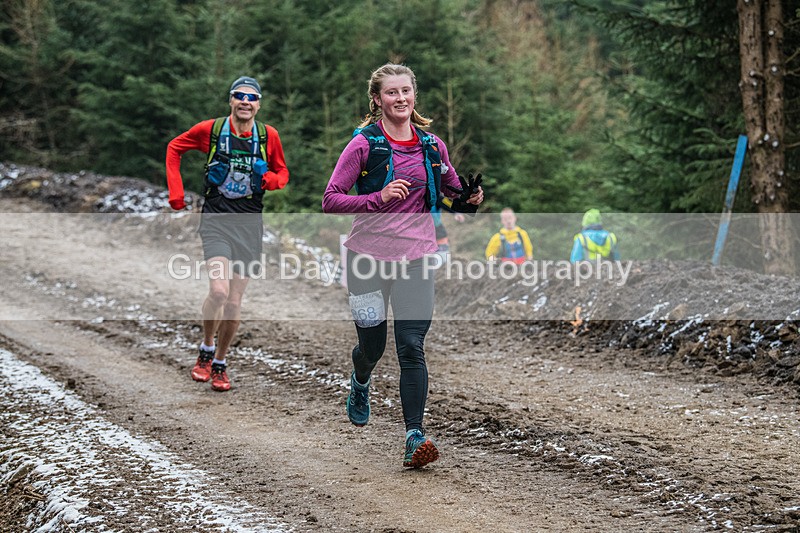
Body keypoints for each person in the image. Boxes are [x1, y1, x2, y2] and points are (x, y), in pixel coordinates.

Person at [322, 63, 483, 468]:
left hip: (416, 259)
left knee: (411, 347)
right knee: (372, 346)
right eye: (391, 93)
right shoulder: (364, 145)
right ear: (377, 100)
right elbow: (331, 198)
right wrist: (378, 198)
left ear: (414, 95)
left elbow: (450, 193)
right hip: (366, 261)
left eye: (406, 91)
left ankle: (414, 436)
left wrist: (470, 199)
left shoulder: (432, 146)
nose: (400, 99)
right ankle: (360, 381)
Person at [165, 75, 289, 391]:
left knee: (234, 302)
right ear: (231, 100)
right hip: (217, 218)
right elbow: (174, 147)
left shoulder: (267, 135)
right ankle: (206, 348)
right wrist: (176, 192)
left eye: (252, 97)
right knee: (218, 292)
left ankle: (220, 362)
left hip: (249, 222)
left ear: (258, 104)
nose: (245, 101)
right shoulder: (211, 130)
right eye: (239, 95)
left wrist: (269, 180)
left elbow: (283, 173)